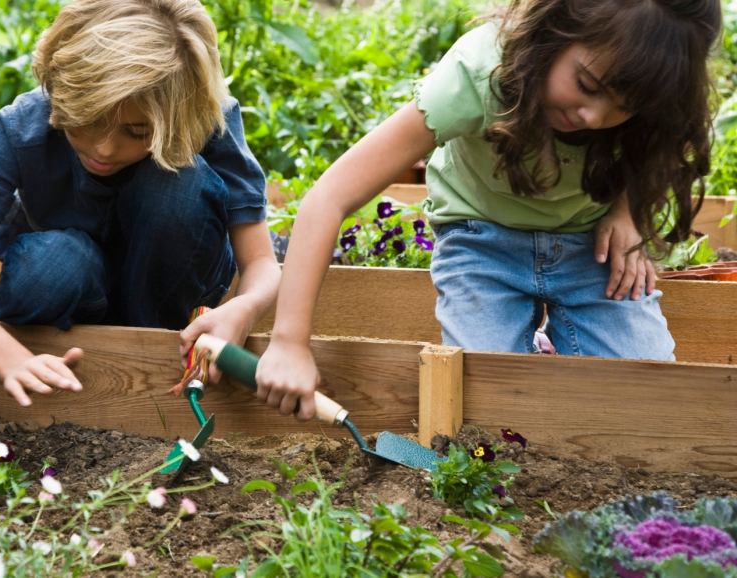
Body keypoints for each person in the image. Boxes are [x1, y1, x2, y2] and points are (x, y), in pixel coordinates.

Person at [253, 0, 722, 420]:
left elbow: (661, 149)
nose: (594, 117)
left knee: (652, 399)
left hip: (589, 248)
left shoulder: (648, 103)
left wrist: (627, 212)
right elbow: (328, 196)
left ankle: (548, 352)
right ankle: (534, 354)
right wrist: (289, 342)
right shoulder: (478, 74)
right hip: (482, 242)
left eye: (624, 107)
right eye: (586, 85)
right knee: (482, 405)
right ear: (554, 29)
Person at [0, 0, 280, 407]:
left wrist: (245, 307)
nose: (104, 148)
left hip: (169, 286)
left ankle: (151, 339)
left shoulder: (203, 116)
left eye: (136, 133)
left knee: (179, 184)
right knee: (53, 263)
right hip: (70, 292)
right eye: (85, 123)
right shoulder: (23, 126)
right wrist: (8, 357)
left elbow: (260, 262)